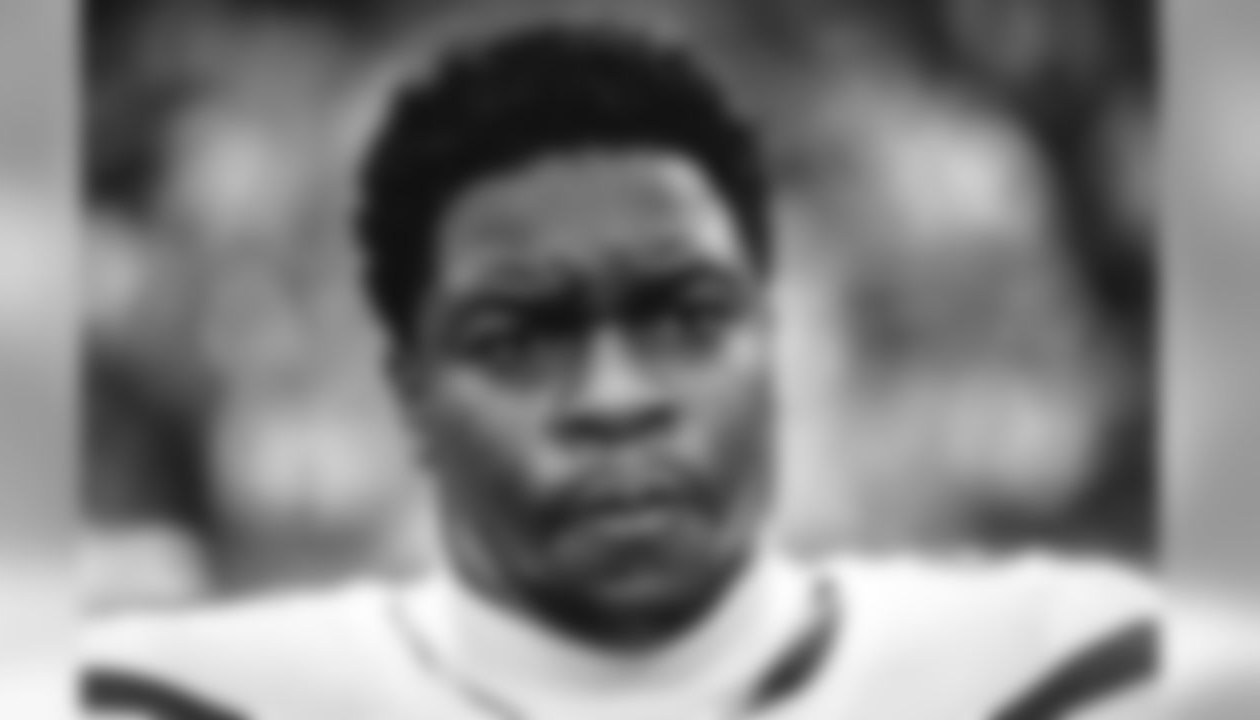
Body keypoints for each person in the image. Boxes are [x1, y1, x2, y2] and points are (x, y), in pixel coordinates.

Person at [82, 22, 1155, 720]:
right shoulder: (197, 684)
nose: (615, 400)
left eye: (685, 320)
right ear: (408, 391)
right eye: (519, 341)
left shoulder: (1056, 661)